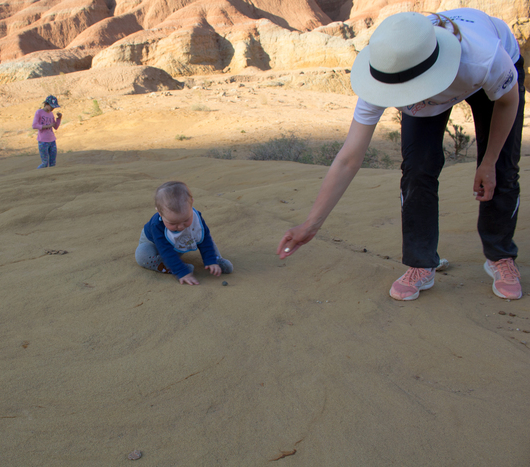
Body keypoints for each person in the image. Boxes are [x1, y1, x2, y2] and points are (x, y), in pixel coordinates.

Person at [277, 9, 524, 300]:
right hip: (431, 72)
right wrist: (310, 225)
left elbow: (508, 103)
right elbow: (348, 158)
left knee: (503, 168)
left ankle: (500, 255)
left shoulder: (483, 58)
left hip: (482, 79)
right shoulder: (387, 66)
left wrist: (489, 161)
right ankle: (420, 263)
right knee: (417, 168)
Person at [136, 181, 233, 285]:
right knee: (142, 254)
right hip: (157, 246)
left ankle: (216, 260)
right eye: (173, 223)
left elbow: (205, 240)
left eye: (186, 220)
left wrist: (210, 260)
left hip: (182, 241)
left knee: (205, 236)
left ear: (191, 203)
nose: (181, 227)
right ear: (160, 212)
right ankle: (172, 267)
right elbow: (165, 251)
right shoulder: (156, 225)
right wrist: (181, 272)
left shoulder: (196, 217)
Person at [32, 95, 62, 168]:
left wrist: (59, 119)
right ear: (46, 104)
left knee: (53, 163)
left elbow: (55, 127)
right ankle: (36, 174)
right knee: (45, 163)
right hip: (43, 141)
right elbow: (34, 125)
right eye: (52, 106)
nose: (53, 108)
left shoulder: (51, 114)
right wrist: (48, 126)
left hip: (52, 140)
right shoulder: (39, 112)